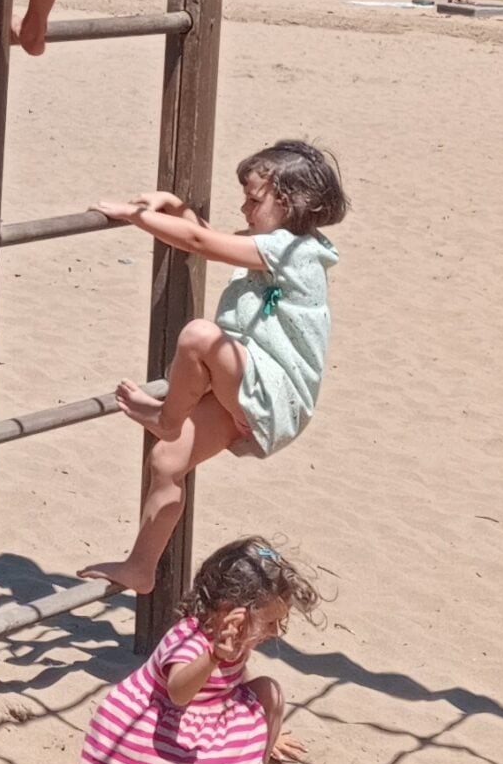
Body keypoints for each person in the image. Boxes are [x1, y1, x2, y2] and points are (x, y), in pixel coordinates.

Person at [81, 139, 348, 596]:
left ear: (292, 204)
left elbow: (201, 243)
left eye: (254, 200)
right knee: (167, 461)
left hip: (274, 392)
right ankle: (141, 567)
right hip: (248, 386)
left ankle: (166, 417)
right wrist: (175, 208)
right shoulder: (274, 245)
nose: (244, 208)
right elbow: (207, 234)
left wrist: (137, 216)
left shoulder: (295, 253)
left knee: (199, 336)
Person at [71, 535, 320, 764]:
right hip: (158, 741)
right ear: (229, 611)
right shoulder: (190, 639)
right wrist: (213, 657)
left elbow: (232, 681)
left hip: (189, 727)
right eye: (269, 622)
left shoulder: (231, 637)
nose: (276, 631)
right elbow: (178, 691)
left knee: (270, 692)